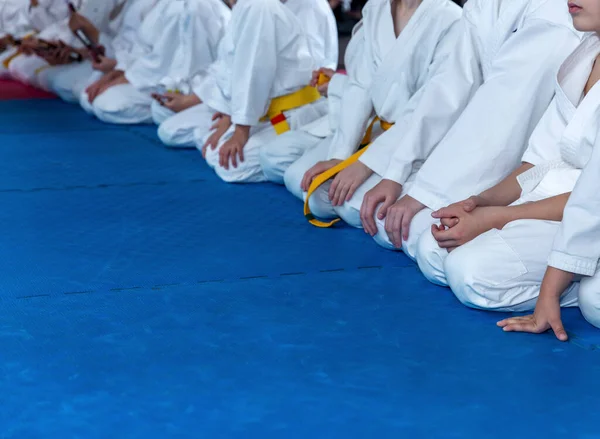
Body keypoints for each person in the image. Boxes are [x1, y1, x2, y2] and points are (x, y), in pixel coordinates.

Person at [415, 0, 600, 343]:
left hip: (588, 215)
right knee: (431, 248)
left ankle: (577, 281)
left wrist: (498, 218)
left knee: (471, 274)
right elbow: (540, 161)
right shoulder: (585, 52)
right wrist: (479, 202)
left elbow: (592, 198)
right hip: (552, 200)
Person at [350, 0, 580, 260]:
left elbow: (503, 110)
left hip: (525, 158)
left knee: (421, 239)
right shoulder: (483, 4)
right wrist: (396, 170)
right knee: (368, 210)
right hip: (474, 145)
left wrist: (424, 192)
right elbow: (448, 86)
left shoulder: (554, 12)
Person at [263, 0, 461, 222]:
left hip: (417, 141)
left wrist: (369, 164)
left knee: (339, 202)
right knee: (300, 180)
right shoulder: (377, 8)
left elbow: (429, 110)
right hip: (380, 128)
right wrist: (341, 155)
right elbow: (361, 85)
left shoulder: (450, 20)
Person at [154, 0, 338, 149]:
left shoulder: (309, 7)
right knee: (169, 128)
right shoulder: (249, 6)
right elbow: (230, 65)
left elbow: (304, 74)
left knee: (227, 163)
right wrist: (226, 108)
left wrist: (240, 123)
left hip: (290, 109)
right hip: (252, 105)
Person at [82, 0, 230, 125]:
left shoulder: (197, 7)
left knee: (161, 117)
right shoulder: (168, 4)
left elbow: (186, 67)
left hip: (184, 86)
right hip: (153, 77)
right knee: (89, 98)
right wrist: (119, 71)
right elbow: (142, 46)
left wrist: (127, 77)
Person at [258, 19, 365, 188]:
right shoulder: (375, 9)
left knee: (305, 183)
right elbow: (364, 82)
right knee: (271, 156)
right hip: (342, 109)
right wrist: (337, 82)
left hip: (381, 130)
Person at [2, 0, 71, 82]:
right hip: (28, 38)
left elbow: (52, 26)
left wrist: (36, 5)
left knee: (19, 66)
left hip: (55, 41)